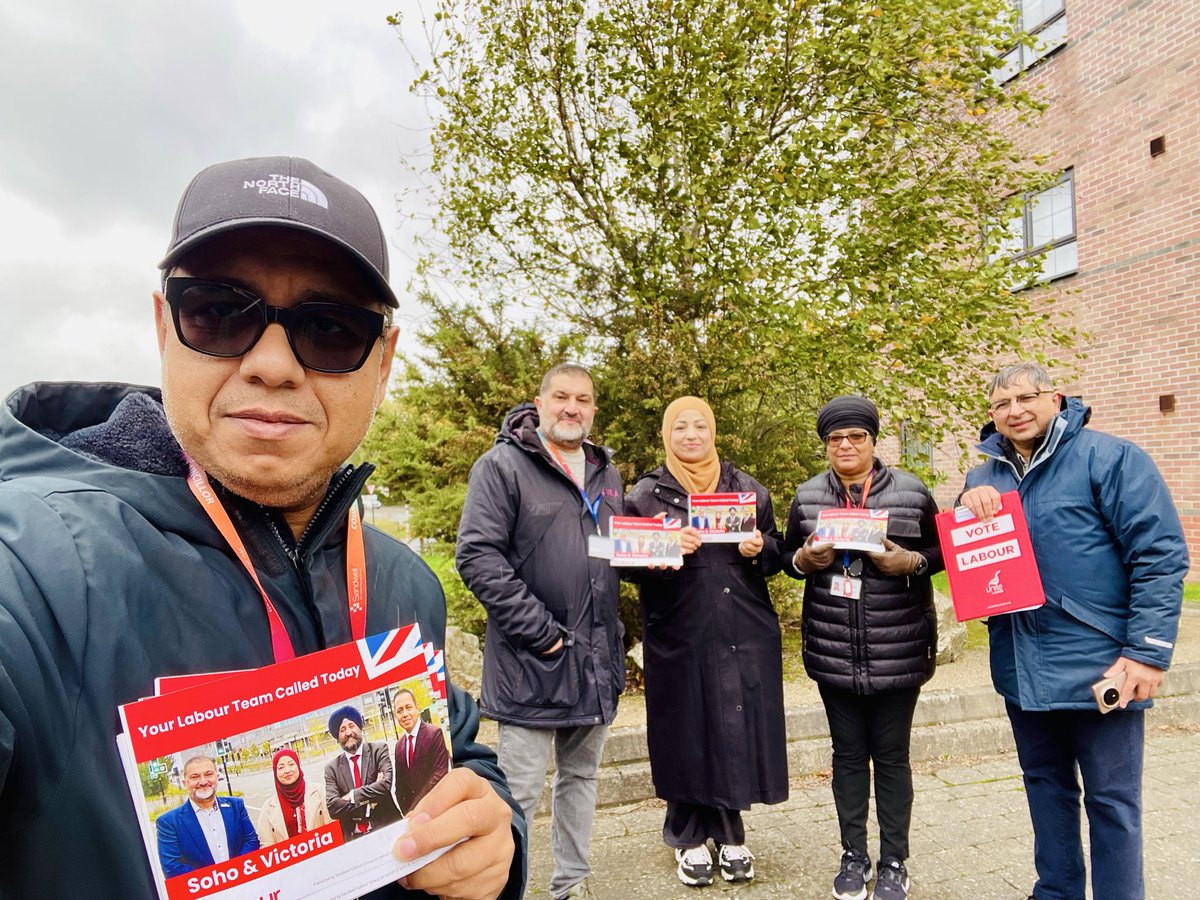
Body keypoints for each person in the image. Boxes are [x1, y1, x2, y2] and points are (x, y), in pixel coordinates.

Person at [0, 156, 523, 900]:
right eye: (218, 311)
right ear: (163, 326)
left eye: (331, 328)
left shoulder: (402, 584)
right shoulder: (30, 570)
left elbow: (461, 753)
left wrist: (496, 843)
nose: (273, 364)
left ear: (383, 364)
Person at [958, 362, 1188, 900]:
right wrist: (966, 506)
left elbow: (1159, 557)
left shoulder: (1110, 458)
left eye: (1026, 398)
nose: (1014, 411)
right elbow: (974, 555)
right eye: (1001, 404)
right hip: (1021, 669)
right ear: (991, 415)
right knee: (1045, 790)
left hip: (1103, 667)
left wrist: (1148, 653)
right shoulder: (983, 475)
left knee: (1112, 801)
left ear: (1056, 399)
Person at [456, 363, 625, 900]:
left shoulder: (606, 472)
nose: (572, 407)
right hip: (534, 663)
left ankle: (571, 885)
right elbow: (477, 557)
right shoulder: (502, 466)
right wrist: (543, 634)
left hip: (596, 662)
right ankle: (510, 891)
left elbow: (613, 552)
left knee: (581, 780)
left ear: (594, 409)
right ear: (540, 401)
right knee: (518, 795)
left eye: (583, 399)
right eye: (561, 397)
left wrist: (661, 556)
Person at [781, 396, 942, 900]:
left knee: (892, 758)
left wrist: (912, 562)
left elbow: (942, 553)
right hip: (833, 651)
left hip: (899, 649)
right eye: (835, 439)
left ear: (874, 441)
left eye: (856, 437)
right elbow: (786, 558)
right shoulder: (808, 497)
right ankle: (853, 855)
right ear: (825, 445)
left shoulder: (914, 493)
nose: (845, 445)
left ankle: (894, 860)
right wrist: (806, 559)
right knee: (848, 757)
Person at [624, 397, 788, 888]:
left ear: (714, 432)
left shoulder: (747, 490)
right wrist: (663, 549)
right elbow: (623, 561)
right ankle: (687, 836)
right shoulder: (647, 495)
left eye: (699, 426)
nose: (690, 434)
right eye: (680, 427)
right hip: (680, 630)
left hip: (742, 629)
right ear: (667, 435)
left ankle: (730, 832)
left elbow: (779, 552)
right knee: (686, 732)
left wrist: (761, 550)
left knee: (733, 728)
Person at [157, 755, 260, 876]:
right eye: (195, 777)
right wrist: (215, 880)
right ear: (185, 783)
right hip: (204, 892)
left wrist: (235, 872)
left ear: (217, 777)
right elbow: (172, 867)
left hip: (242, 881)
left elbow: (251, 840)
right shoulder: (168, 822)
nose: (203, 782)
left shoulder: (236, 806)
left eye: (208, 774)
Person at [324, 705, 398, 839]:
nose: (348, 733)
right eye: (342, 730)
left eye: (351, 726)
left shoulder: (378, 750)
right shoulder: (332, 769)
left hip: (387, 829)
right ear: (337, 738)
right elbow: (333, 808)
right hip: (354, 837)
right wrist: (373, 789)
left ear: (359, 728)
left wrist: (352, 795)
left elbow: (386, 784)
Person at [255, 748, 332, 847]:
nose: (287, 771)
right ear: (275, 772)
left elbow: (332, 826)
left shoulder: (320, 792)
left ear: (298, 766)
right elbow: (266, 844)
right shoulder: (268, 807)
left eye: (291, 764)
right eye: (281, 767)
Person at [392, 688, 451, 816]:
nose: (405, 714)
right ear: (396, 716)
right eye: (400, 710)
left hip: (437, 810)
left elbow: (439, 774)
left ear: (417, 708)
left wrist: (416, 809)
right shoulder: (398, 746)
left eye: (409, 707)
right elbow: (399, 787)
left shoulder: (434, 734)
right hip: (413, 818)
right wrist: (408, 813)